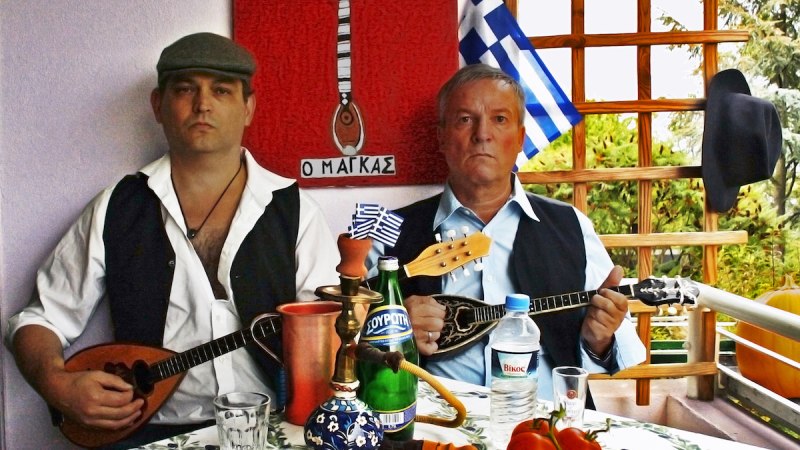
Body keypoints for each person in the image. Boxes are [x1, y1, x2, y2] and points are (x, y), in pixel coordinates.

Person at [5, 32, 339, 448]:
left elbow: (329, 332)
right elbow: (40, 319)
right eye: (185, 90)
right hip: (148, 433)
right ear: (158, 105)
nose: (203, 104)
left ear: (248, 107)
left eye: (221, 90)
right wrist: (56, 385)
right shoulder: (118, 207)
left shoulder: (295, 212)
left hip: (276, 425)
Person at [367, 63, 646, 409]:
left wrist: (598, 339)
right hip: (435, 425)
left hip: (543, 428)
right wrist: (394, 330)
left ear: (520, 139)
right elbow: (348, 346)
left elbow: (614, 351)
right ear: (440, 136)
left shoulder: (571, 226)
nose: (482, 134)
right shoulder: (389, 229)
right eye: (465, 119)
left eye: (499, 119)